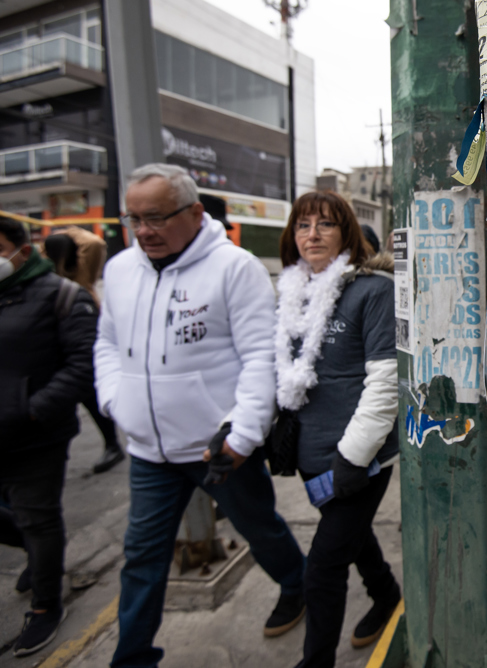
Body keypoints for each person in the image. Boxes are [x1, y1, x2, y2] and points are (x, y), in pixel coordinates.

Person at [94, 164, 306, 667]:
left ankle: (296, 584)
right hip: (149, 452)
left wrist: (244, 432)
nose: (144, 231)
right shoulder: (121, 269)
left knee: (260, 529)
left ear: (193, 213)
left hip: (220, 447)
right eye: (134, 220)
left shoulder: (235, 268)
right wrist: (113, 401)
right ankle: (133, 657)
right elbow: (106, 343)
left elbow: (260, 356)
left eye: (156, 218)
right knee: (142, 558)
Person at [274, 191, 400, 667]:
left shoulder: (372, 290)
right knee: (353, 538)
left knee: (323, 567)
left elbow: (385, 382)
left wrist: (353, 454)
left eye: (325, 224)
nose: (312, 234)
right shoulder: (290, 293)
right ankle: (387, 596)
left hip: (356, 459)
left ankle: (316, 662)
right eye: (303, 225)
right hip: (309, 455)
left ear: (346, 233)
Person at [0, 217, 98, 656]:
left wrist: (30, 411)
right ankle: (38, 553)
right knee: (29, 526)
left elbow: (82, 366)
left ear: (22, 248)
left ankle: (45, 607)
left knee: (40, 518)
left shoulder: (62, 296)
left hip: (35, 436)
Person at [44, 230, 125, 473]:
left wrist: (62, 230)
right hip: (55, 334)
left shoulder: (79, 272)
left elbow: (94, 242)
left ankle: (112, 444)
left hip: (83, 331)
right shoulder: (43, 272)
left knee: (89, 391)